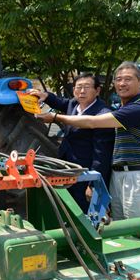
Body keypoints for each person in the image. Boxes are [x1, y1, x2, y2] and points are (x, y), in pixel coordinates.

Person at [36, 62, 140, 220]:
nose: (122, 83)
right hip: (118, 174)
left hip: (137, 176)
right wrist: (45, 96)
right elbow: (62, 103)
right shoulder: (119, 108)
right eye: (119, 79)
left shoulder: (138, 109)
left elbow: (93, 126)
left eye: (128, 79)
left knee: (138, 226)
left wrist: (54, 117)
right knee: (119, 226)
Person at [28, 73, 115, 212]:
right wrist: (45, 96)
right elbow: (61, 102)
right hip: (66, 168)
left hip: (85, 174)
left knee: (84, 211)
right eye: (78, 87)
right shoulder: (74, 104)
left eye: (87, 87)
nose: (82, 91)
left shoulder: (102, 115)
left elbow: (102, 155)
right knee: (66, 208)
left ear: (97, 91)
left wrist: (93, 185)